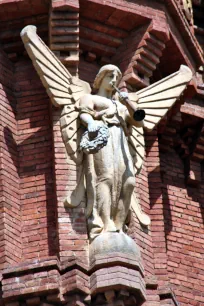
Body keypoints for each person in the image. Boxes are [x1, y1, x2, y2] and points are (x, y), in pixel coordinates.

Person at [78, 65, 144, 239]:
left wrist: (128, 103)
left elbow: (138, 123)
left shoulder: (121, 104)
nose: (114, 80)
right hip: (103, 136)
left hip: (121, 139)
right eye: (110, 76)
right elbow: (83, 114)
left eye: (116, 77)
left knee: (129, 182)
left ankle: (119, 225)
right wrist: (91, 122)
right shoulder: (90, 98)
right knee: (106, 176)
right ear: (100, 79)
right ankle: (105, 223)